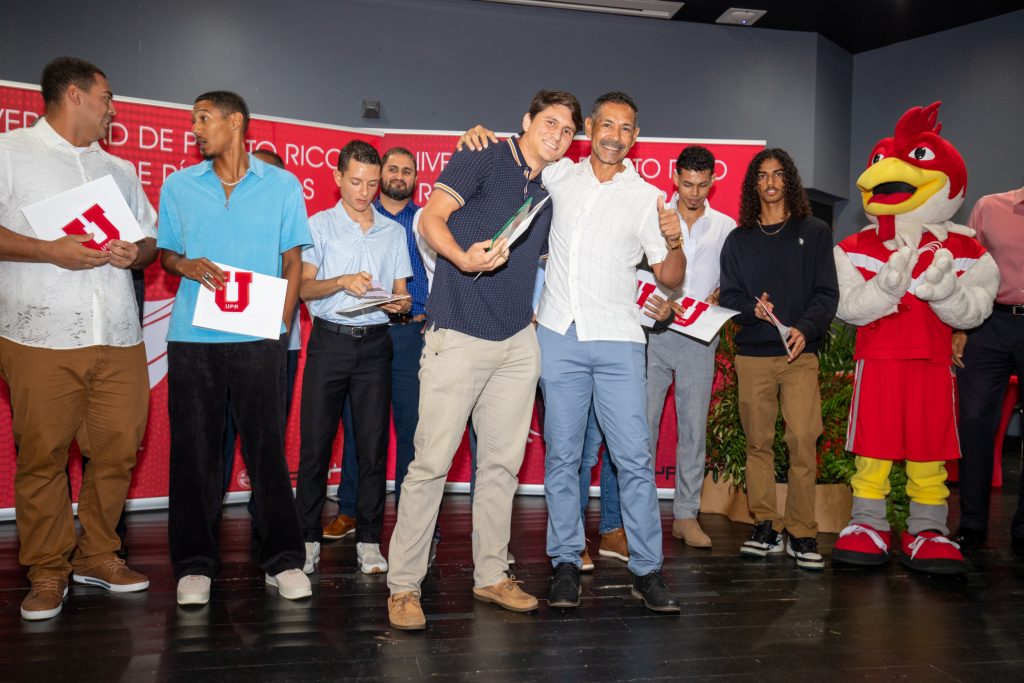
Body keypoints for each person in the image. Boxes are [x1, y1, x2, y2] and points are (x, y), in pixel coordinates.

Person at [386, 90, 583, 631]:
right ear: (526, 121)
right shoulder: (483, 153)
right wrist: (460, 256)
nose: (558, 135)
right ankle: (403, 585)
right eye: (550, 123)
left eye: (568, 131)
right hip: (458, 331)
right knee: (430, 465)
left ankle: (491, 574)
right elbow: (431, 218)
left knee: (501, 467)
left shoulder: (551, 189)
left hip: (518, 342)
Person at [0, 56, 156, 621]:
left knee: (117, 449)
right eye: (107, 97)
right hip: (38, 332)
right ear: (74, 95)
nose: (113, 107)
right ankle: (46, 570)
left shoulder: (120, 170)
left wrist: (133, 252)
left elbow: (148, 242)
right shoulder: (10, 153)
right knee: (41, 456)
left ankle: (98, 555)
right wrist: (49, 250)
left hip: (117, 332)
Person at [158, 90, 311, 606]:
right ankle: (195, 565)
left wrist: (281, 324)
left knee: (266, 450)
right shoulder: (178, 185)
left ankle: (283, 559)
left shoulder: (283, 186)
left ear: (236, 122)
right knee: (196, 452)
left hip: (261, 338)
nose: (195, 128)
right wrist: (187, 265)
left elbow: (293, 263)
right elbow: (166, 253)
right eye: (192, 119)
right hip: (193, 339)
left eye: (204, 118)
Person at [294, 140, 412, 575]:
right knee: (316, 444)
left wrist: (398, 304)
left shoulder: (393, 232)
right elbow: (304, 290)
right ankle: (306, 537)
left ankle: (368, 539)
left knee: (373, 445)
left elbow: (400, 294)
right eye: (356, 182)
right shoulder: (318, 226)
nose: (364, 192)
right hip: (329, 342)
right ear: (338, 178)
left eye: (372, 183)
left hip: (376, 345)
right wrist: (341, 281)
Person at [718, 148, 839, 570]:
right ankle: (765, 523)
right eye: (762, 176)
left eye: (778, 175)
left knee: (804, 440)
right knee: (759, 443)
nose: (770, 183)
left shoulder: (816, 231)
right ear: (753, 185)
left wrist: (805, 329)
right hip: (753, 356)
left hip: (799, 355)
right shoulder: (739, 239)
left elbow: (827, 294)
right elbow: (728, 295)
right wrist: (752, 308)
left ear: (789, 180)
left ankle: (802, 530)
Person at [325, 147, 426, 543]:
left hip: (411, 335)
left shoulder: (425, 220)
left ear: (416, 178)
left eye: (408, 169)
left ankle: (411, 515)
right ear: (378, 174)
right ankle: (349, 509)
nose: (400, 175)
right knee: (358, 426)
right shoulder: (360, 217)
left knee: (411, 427)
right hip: (367, 332)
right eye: (393, 168)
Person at [646, 146, 736, 549]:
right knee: (641, 427)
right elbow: (634, 269)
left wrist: (723, 294)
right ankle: (640, 516)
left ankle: (686, 515)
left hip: (700, 336)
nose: (694, 192)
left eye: (702, 184)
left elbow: (735, 281)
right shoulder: (655, 218)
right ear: (674, 177)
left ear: (713, 181)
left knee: (693, 431)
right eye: (687, 183)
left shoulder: (727, 226)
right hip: (652, 332)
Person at [953, 186, 1024, 555]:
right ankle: (972, 524)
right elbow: (965, 270)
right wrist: (960, 327)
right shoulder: (989, 208)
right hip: (988, 325)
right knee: (975, 421)